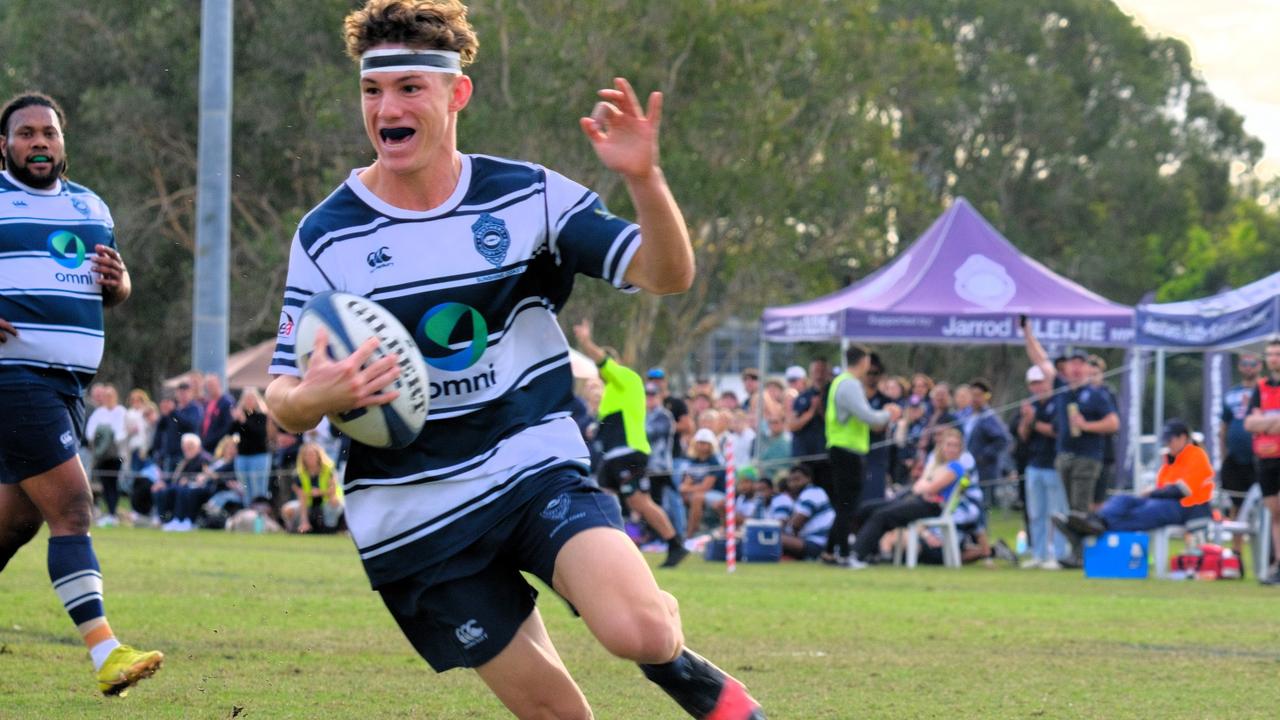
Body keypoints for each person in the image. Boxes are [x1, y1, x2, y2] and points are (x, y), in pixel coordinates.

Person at [261, 3, 762, 717]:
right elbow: (280, 394)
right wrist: (317, 395)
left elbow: (665, 274)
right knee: (562, 716)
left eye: (410, 88)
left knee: (640, 630)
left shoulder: (526, 196)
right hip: (415, 514)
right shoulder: (327, 234)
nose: (387, 108)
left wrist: (647, 181)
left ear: (456, 93)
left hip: (529, 464)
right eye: (373, 90)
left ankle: (680, 667)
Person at [0, 91, 161, 695]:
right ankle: (106, 653)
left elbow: (105, 291)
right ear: (4, 146)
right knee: (72, 508)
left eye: (49, 133)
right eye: (26, 134)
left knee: (14, 525)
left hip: (69, 385)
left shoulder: (91, 206)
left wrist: (120, 284)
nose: (39, 142)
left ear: (63, 143)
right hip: (13, 377)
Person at [574, 320, 687, 567]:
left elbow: (603, 361)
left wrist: (585, 341)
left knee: (639, 502)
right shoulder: (611, 394)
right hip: (613, 457)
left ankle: (675, 543)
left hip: (629, 454)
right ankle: (607, 552)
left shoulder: (627, 378)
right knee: (600, 498)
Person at [1054, 420, 1213, 541]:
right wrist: (1151, 493)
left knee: (1141, 514)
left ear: (1183, 437)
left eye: (1169, 440)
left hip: (1185, 506)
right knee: (1122, 500)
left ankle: (1089, 530)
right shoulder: (1171, 460)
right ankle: (1095, 521)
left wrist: (1151, 493)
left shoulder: (1196, 455)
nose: (1167, 444)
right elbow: (1162, 487)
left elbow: (1182, 490)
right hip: (1162, 500)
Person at [1022, 319, 1118, 516]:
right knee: (1066, 510)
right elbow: (1040, 360)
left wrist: (1086, 425)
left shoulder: (1096, 393)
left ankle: (1079, 547)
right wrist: (1027, 333)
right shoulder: (1061, 387)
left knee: (1079, 510)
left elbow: (1113, 423)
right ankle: (1070, 546)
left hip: (1087, 457)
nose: (1076, 367)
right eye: (1072, 363)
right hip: (1063, 456)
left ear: (1086, 368)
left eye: (1080, 363)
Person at [847, 428, 968, 568]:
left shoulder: (956, 467)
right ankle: (869, 552)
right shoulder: (938, 464)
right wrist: (924, 485)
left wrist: (925, 484)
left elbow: (929, 488)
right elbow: (921, 485)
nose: (951, 449)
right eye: (949, 445)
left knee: (881, 515)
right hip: (917, 499)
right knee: (867, 508)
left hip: (931, 506)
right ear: (942, 446)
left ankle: (856, 555)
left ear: (960, 449)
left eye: (955, 445)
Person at [822, 344, 897, 565]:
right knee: (848, 506)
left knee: (844, 504)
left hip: (843, 448)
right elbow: (868, 417)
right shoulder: (850, 384)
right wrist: (888, 414)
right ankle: (844, 554)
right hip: (847, 450)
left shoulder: (840, 383)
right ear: (863, 361)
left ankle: (829, 551)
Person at [1016, 366, 1067, 569]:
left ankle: (1059, 554)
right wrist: (1027, 420)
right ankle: (1039, 553)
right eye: (1034, 383)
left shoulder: (1058, 403)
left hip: (1054, 466)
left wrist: (1034, 420)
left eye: (1041, 382)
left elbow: (1056, 431)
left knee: (1057, 513)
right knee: (1036, 513)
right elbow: (1023, 435)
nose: (1038, 387)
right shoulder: (1032, 405)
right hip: (1034, 465)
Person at [1244, 339, 1280, 584]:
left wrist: (1264, 422)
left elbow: (1258, 422)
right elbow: (1248, 423)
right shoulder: (1261, 387)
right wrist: (1273, 424)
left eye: (1277, 353)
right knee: (1275, 513)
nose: (1273, 358)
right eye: (1270, 354)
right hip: (1266, 458)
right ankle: (1278, 564)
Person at [1220, 352, 1260, 555]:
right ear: (1239, 366)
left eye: (1252, 363)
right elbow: (1223, 428)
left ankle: (1267, 552)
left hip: (1260, 458)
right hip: (1235, 460)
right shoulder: (1231, 394)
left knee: (1266, 505)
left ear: (1259, 366)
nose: (1248, 367)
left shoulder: (1265, 391)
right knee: (1236, 504)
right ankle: (1236, 551)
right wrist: (1223, 455)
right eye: (1245, 363)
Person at [85, 383, 127, 526]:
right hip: (102, 455)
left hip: (116, 454)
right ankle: (110, 512)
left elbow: (121, 432)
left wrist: (109, 437)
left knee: (113, 484)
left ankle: (113, 513)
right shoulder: (99, 412)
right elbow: (90, 432)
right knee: (105, 484)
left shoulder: (120, 411)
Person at [281, 441, 344, 534]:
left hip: (327, 502)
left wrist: (319, 492)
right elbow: (301, 497)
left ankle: (330, 528)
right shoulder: (299, 474)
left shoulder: (329, 470)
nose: (309, 457)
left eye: (312, 454)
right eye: (306, 455)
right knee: (287, 509)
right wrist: (304, 521)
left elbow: (333, 491)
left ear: (319, 456)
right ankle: (296, 528)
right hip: (308, 504)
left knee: (333, 502)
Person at [779, 465, 835, 560]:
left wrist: (783, 530)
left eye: (797, 479)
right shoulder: (802, 496)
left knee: (776, 539)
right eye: (790, 481)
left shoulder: (812, 492)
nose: (793, 484)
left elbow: (796, 524)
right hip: (809, 541)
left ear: (808, 479)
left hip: (819, 542)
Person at [679, 428, 727, 537]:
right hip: (702, 493)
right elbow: (687, 482)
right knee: (684, 497)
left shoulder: (715, 460)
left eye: (705, 443)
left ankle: (690, 534)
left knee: (697, 497)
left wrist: (687, 489)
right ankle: (684, 531)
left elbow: (706, 486)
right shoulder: (693, 460)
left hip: (719, 494)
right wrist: (686, 489)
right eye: (699, 442)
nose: (701, 445)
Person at [230, 387, 272, 506]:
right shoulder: (240, 417)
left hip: (259, 456)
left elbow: (258, 434)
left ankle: (260, 518)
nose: (248, 402)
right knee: (245, 490)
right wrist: (235, 420)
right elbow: (230, 432)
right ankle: (248, 516)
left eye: (251, 399)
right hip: (242, 456)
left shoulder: (261, 416)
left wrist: (243, 421)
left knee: (258, 490)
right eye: (246, 399)